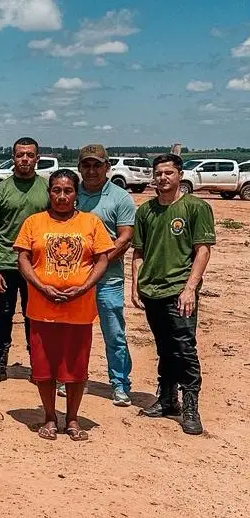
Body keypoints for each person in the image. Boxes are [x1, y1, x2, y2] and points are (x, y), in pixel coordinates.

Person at [14, 169, 114, 441]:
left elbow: (103, 258)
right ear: (49, 193)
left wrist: (84, 287)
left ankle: (72, 418)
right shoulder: (34, 222)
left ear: (76, 194)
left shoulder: (91, 223)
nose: (61, 196)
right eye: (56, 190)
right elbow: (22, 258)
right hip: (41, 307)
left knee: (76, 367)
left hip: (78, 309)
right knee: (44, 367)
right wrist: (40, 285)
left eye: (67, 190)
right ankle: (49, 416)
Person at [132, 153, 215, 435]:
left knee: (184, 348)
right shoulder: (146, 211)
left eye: (168, 172)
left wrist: (190, 287)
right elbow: (139, 252)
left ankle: (191, 405)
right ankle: (167, 399)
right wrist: (136, 285)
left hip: (180, 291)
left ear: (179, 174)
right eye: (158, 173)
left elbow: (202, 249)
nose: (162, 178)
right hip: (152, 290)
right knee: (164, 348)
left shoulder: (195, 208)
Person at [0, 137, 49, 385]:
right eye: (20, 155)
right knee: (4, 314)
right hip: (7, 265)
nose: (25, 160)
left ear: (37, 158)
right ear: (13, 157)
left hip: (38, 267)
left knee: (36, 317)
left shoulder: (47, 189)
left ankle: (39, 365)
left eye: (30, 155)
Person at [74, 144, 137, 406]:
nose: (91, 170)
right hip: (75, 280)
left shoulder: (120, 197)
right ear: (79, 168)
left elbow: (125, 238)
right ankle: (74, 378)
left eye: (97, 165)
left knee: (114, 334)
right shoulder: (71, 193)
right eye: (86, 165)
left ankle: (120, 383)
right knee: (76, 333)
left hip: (108, 280)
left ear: (107, 167)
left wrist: (98, 264)